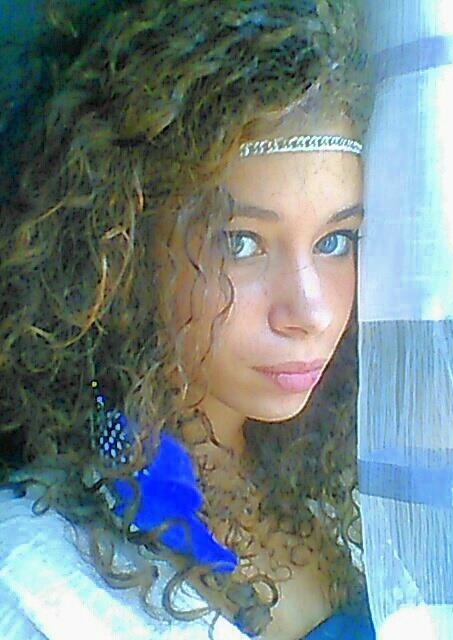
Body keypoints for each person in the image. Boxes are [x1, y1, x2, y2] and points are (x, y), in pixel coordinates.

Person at [0, 1, 375, 638]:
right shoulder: (38, 581)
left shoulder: (360, 476)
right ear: (121, 248)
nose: (310, 313)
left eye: (335, 241)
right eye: (241, 242)